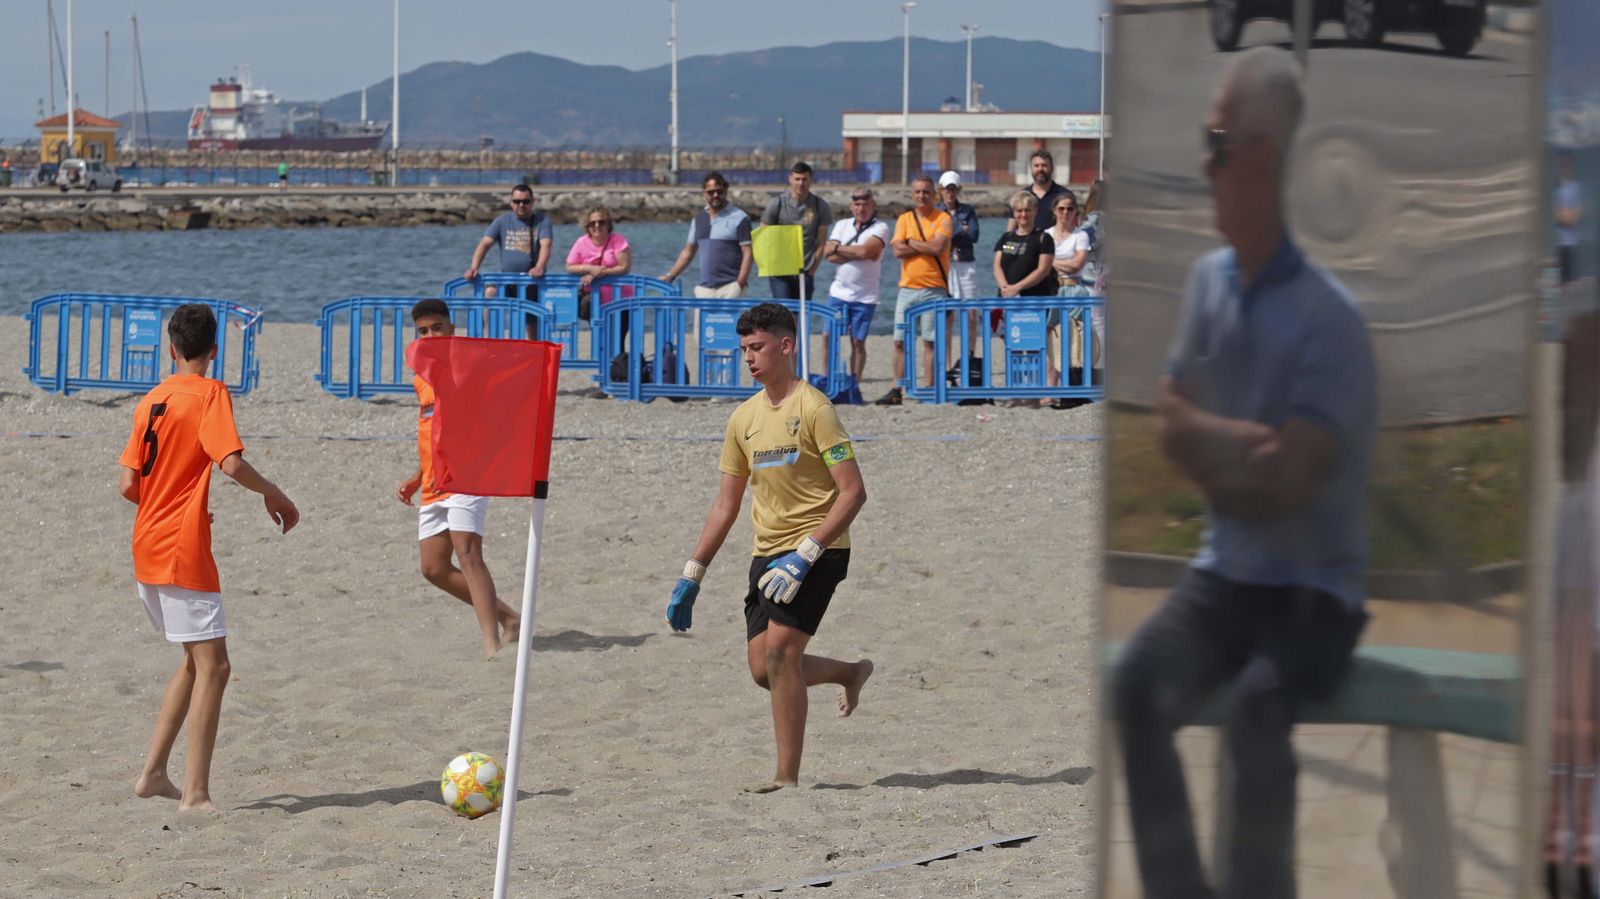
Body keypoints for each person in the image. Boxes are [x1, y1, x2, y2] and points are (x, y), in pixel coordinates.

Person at [1110, 47, 1376, 899]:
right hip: (1228, 578)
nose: (1204, 162)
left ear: (1262, 152)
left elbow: (1289, 478)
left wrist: (1207, 444)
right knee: (1135, 685)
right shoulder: (1206, 283)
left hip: (1313, 595)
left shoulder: (1331, 320)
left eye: (1216, 142)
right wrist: (1242, 449)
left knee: (1260, 711)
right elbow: (1171, 429)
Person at [664, 302, 873, 793]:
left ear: (785, 345)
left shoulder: (815, 408)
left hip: (819, 549)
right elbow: (725, 505)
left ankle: (786, 778)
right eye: (743, 350)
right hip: (767, 555)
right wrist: (692, 574)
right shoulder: (743, 419)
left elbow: (853, 492)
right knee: (764, 670)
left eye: (756, 347)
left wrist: (807, 553)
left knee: (780, 654)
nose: (749, 358)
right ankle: (849, 672)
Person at [117, 303, 300, 812]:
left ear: (172, 348)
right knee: (215, 667)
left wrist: (177, 505)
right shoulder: (210, 391)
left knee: (194, 663)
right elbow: (231, 462)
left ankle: (153, 774)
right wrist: (274, 492)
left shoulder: (150, 399)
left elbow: (128, 483)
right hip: (180, 548)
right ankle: (195, 795)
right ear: (214, 351)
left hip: (146, 543)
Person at [397, 299, 522, 660]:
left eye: (437, 327)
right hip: (434, 482)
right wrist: (417, 476)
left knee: (469, 555)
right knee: (433, 568)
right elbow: (430, 431)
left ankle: (491, 646)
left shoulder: (467, 367)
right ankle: (508, 617)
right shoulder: (420, 377)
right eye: (423, 331)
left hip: (467, 475)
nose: (431, 335)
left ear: (452, 329)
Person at [874, 175, 952, 405]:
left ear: (934, 194)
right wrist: (921, 246)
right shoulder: (905, 219)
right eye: (917, 192)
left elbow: (938, 247)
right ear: (912, 194)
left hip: (934, 288)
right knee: (899, 341)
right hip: (907, 288)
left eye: (926, 192)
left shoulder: (943, 218)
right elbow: (897, 251)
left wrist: (911, 243)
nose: (921, 196)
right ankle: (896, 388)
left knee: (930, 341)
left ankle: (928, 388)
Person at [994, 192, 1059, 407]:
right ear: (1014, 213)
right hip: (1008, 301)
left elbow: (1043, 270)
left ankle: (1033, 392)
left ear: (1034, 212)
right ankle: (1015, 391)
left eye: (1027, 210)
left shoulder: (1043, 238)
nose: (1023, 214)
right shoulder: (1007, 238)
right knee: (1012, 347)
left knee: (1033, 348)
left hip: (1034, 300)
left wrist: (1017, 288)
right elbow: (997, 264)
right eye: (1019, 210)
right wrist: (1005, 287)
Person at [821, 188, 892, 382]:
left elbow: (867, 252)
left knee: (858, 341)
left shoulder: (881, 228)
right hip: (838, 293)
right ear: (852, 206)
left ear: (873, 206)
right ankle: (828, 378)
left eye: (865, 204)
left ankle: (855, 380)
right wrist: (856, 251)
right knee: (828, 336)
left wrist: (839, 248)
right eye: (857, 204)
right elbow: (829, 254)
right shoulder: (842, 225)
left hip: (865, 296)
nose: (861, 209)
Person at [465, 183, 553, 336]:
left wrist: (539, 267)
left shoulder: (541, 221)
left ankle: (535, 352)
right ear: (510, 202)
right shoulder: (502, 221)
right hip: (508, 280)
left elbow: (546, 244)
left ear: (532, 202)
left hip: (530, 282)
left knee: (532, 325)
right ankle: (489, 336)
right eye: (517, 201)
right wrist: (474, 267)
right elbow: (484, 244)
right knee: (490, 292)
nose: (521, 205)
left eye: (525, 201)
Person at [662, 171, 753, 298]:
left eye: (719, 191)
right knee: (699, 319)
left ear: (726, 190)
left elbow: (748, 253)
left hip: (731, 288)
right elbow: (688, 252)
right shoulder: (699, 219)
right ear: (704, 193)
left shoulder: (740, 218)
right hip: (704, 290)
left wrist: (740, 283)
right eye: (711, 192)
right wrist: (670, 276)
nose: (715, 195)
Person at [760, 161, 833, 299]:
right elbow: (762, 236)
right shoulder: (777, 203)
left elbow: (821, 243)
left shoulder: (820, 206)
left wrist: (812, 271)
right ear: (790, 179)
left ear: (811, 180)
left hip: (805, 270)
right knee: (784, 316)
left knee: (802, 317)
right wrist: (769, 263)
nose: (801, 183)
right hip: (780, 271)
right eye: (797, 179)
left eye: (805, 179)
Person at [564, 205, 633, 350]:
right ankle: (605, 371)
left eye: (601, 222)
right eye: (592, 223)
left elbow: (624, 267)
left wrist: (603, 272)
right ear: (587, 226)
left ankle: (614, 371)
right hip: (595, 302)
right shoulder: (581, 242)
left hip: (620, 301)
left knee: (616, 342)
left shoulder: (618, 241)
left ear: (608, 224)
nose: (597, 226)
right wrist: (590, 269)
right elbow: (570, 266)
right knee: (601, 342)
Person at [1048, 190, 1093, 394]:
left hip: (1075, 289)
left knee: (1072, 336)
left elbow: (1078, 264)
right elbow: (1038, 264)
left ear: (1076, 211)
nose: (1065, 212)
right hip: (1052, 289)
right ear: (1054, 211)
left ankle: (1070, 386)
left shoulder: (1080, 235)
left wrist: (1051, 262)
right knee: (1051, 335)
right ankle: (1050, 387)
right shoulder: (1046, 234)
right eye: (1061, 208)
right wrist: (1056, 264)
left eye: (1070, 208)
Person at [937, 170, 982, 366]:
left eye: (953, 189)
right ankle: (946, 363)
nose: (950, 193)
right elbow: (935, 238)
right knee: (947, 315)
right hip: (944, 266)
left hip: (966, 265)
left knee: (971, 313)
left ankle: (969, 357)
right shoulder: (935, 211)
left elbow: (974, 235)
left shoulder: (968, 210)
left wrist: (949, 237)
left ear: (958, 190)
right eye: (947, 189)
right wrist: (959, 233)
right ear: (941, 190)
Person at [1008, 148, 1074, 233]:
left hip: (1056, 245)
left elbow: (1074, 227)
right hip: (1028, 244)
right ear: (1031, 168)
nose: (1040, 169)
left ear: (1052, 168)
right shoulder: (1021, 197)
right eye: (1036, 166)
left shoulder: (1065, 196)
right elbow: (1010, 231)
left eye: (1044, 165)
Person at [1556, 153, 1582, 285]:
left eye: (1566, 166)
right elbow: (1556, 211)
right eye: (1562, 166)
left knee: (1569, 274)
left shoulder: (1574, 187)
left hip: (1570, 239)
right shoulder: (1557, 188)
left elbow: (1578, 209)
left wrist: (1571, 219)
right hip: (1560, 238)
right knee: (1561, 272)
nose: (1564, 169)